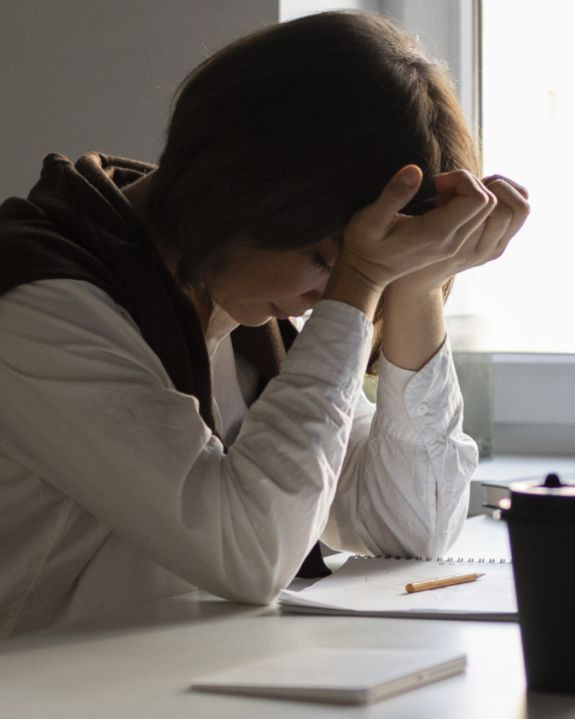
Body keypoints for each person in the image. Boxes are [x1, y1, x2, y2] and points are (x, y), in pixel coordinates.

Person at [0, 11, 528, 637]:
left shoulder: (242, 314)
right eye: (323, 260)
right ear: (249, 187)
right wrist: (359, 279)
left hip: (161, 677)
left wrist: (414, 282)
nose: (321, 301)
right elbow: (251, 552)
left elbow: (409, 530)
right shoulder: (40, 304)